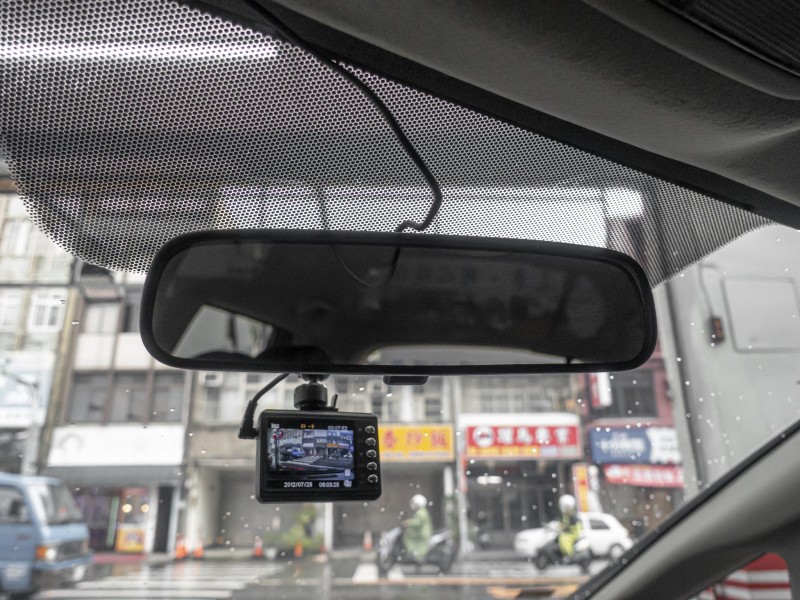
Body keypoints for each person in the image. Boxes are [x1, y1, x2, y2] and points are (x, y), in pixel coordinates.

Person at [402, 494, 432, 563]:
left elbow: (418, 522)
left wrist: (408, 522)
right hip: (421, 534)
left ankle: (416, 558)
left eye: (414, 503)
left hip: (420, 534)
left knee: (413, 543)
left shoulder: (420, 513)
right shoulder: (422, 511)